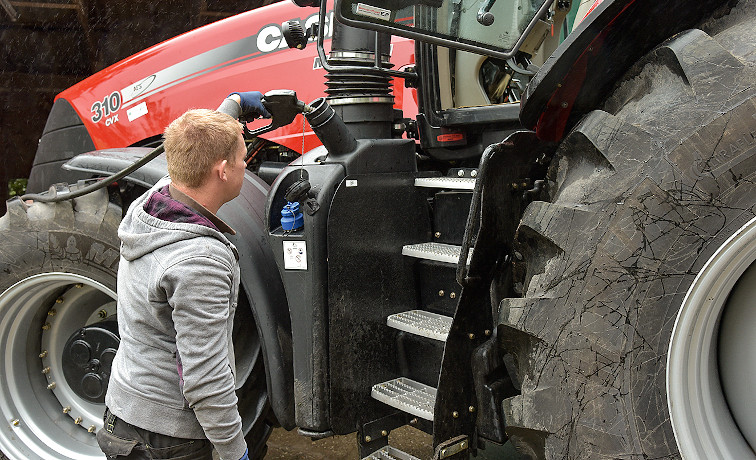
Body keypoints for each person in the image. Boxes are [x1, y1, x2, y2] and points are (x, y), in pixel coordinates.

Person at [97, 92, 269, 460]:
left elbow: (195, 149)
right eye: (242, 159)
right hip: (168, 440)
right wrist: (233, 451)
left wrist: (233, 104)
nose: (245, 165)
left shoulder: (151, 204)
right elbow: (205, 379)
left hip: (122, 414)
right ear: (222, 170)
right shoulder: (200, 261)